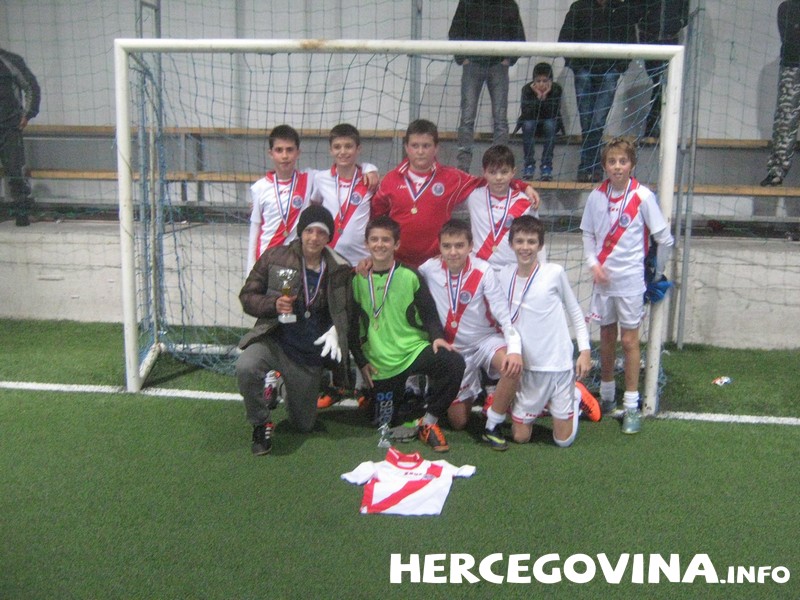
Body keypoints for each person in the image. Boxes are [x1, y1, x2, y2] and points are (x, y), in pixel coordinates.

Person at [235, 205, 353, 455]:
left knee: (303, 425)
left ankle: (282, 384)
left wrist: (336, 329)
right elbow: (247, 297)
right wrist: (273, 304)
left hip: (307, 354)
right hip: (275, 341)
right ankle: (260, 423)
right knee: (246, 365)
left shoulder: (340, 268)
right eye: (309, 231)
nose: (314, 238)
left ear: (329, 237)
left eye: (321, 233)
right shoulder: (275, 257)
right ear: (301, 233)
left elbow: (347, 310)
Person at [348, 216, 466, 453]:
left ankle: (429, 422)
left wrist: (437, 337)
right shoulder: (356, 279)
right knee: (383, 422)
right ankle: (380, 397)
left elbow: (429, 313)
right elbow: (351, 326)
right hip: (380, 362)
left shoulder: (411, 275)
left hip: (412, 350)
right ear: (366, 244)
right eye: (374, 240)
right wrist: (361, 362)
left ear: (397, 244)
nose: (380, 244)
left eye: (386, 240)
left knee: (453, 362)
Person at [580, 137, 674, 434]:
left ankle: (631, 405)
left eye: (623, 161)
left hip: (631, 282)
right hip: (603, 282)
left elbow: (664, 238)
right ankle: (607, 396)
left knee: (630, 342)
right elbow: (587, 235)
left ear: (632, 164)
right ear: (605, 165)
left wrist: (655, 273)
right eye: (612, 161)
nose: (617, 166)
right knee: (606, 337)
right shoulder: (596, 197)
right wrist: (593, 264)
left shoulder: (643, 196)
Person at [371, 118, 539, 269]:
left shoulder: (452, 178)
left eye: (426, 146)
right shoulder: (390, 180)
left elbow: (489, 179)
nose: (420, 151)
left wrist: (522, 186)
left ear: (436, 148)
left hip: (437, 263)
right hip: (398, 262)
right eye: (415, 146)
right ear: (406, 147)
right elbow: (376, 218)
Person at [418, 219, 522, 450]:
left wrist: (514, 350)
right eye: (447, 246)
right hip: (454, 350)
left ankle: (493, 425)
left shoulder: (483, 270)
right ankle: (484, 386)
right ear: (439, 247)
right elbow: (402, 275)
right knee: (458, 422)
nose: (453, 252)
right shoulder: (428, 269)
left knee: (512, 366)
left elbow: (503, 314)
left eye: (459, 245)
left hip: (484, 341)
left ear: (470, 246)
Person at [496, 216, 596, 446]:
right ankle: (537, 406)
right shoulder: (504, 274)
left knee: (563, 441)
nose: (525, 247)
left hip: (558, 366)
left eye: (531, 242)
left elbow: (575, 312)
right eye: (520, 241)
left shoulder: (554, 272)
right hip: (529, 368)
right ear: (511, 244)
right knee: (520, 437)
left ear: (540, 246)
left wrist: (585, 351)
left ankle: (575, 395)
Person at [246, 123, 377, 273]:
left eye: (289, 150)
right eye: (279, 150)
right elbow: (254, 230)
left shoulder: (310, 178)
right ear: (271, 153)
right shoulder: (259, 188)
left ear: (298, 152)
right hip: (267, 259)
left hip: (298, 260)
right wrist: (250, 270)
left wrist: (369, 168)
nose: (284, 156)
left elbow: (346, 169)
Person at [558, 0, 639, 182]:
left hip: (609, 71)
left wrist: (619, 67)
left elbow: (630, 41)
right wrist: (575, 65)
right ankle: (592, 167)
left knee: (597, 122)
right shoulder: (579, 7)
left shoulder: (622, 10)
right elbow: (565, 39)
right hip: (584, 71)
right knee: (587, 121)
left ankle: (589, 166)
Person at [448, 0, 526, 173]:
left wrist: (509, 59)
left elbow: (519, 37)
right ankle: (463, 168)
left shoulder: (509, 5)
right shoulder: (467, 3)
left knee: (500, 118)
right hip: (472, 64)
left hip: (498, 66)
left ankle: (499, 165)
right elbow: (455, 32)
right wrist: (463, 58)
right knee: (467, 117)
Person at [311, 123, 378, 265]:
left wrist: (370, 168)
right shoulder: (320, 179)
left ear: (358, 149)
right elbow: (315, 207)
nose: (342, 152)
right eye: (337, 147)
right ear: (330, 150)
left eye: (348, 146)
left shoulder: (368, 180)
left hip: (362, 260)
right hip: (329, 257)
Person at [466, 144, 540, 271]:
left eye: (504, 172)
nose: (498, 177)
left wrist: (541, 269)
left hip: (513, 268)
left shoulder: (526, 202)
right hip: (480, 268)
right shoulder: (472, 196)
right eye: (492, 172)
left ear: (513, 172)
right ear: (484, 172)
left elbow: (537, 236)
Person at [636, 0, 689, 139]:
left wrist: (679, 23)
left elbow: (685, 11)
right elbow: (636, 6)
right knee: (658, 80)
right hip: (648, 38)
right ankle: (652, 123)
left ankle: (652, 123)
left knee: (662, 82)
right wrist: (643, 19)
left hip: (670, 40)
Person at [0, 48, 40, 227]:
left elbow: (31, 86)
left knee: (14, 170)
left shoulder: (10, 60)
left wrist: (28, 114)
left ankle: (22, 213)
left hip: (9, 127)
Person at [762, 0, 800, 187]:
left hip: (791, 64)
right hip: (792, 67)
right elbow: (791, 38)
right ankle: (776, 171)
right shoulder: (787, 8)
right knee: (785, 123)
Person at [516, 62, 564, 181]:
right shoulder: (526, 90)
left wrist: (545, 96)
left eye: (545, 81)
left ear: (550, 81)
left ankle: (546, 166)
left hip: (550, 124)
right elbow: (527, 114)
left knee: (550, 125)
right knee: (528, 125)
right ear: (533, 81)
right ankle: (529, 165)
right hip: (532, 123)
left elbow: (552, 113)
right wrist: (538, 97)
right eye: (538, 81)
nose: (541, 84)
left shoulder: (556, 89)